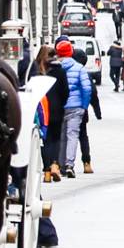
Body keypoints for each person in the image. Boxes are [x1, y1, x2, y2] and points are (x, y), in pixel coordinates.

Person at [53, 39, 92, 178]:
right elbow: (87, 88)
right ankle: (70, 164)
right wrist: (84, 105)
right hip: (76, 106)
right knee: (73, 135)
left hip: (59, 106)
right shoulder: (79, 68)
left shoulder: (55, 68)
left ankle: (61, 164)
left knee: (61, 136)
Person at [35, 44, 69, 182]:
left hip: (42, 108)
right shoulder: (60, 71)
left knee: (44, 140)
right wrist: (62, 102)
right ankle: (55, 164)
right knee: (56, 138)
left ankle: (47, 171)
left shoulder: (36, 70)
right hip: (56, 108)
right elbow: (66, 91)